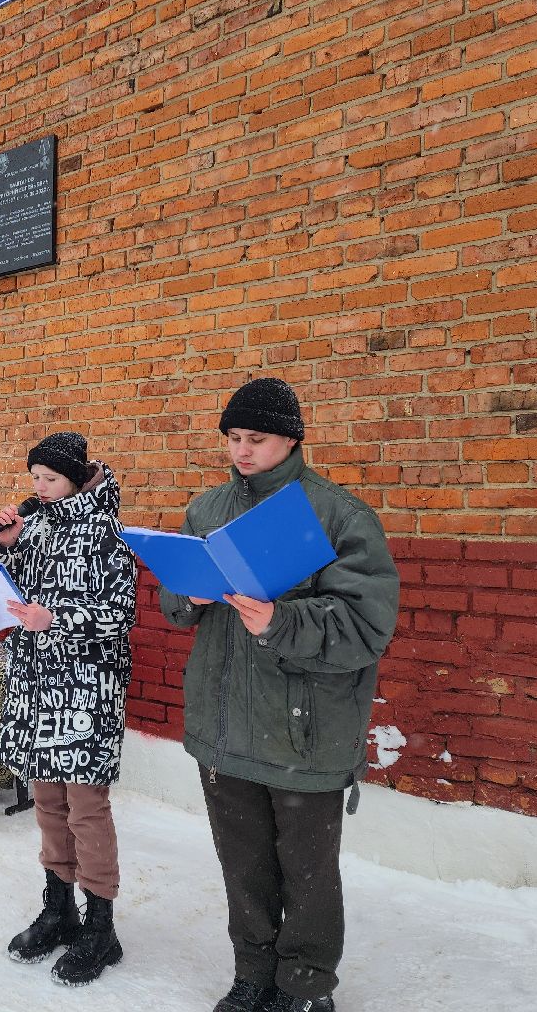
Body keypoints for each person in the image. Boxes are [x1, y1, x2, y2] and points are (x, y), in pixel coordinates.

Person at [159, 378, 400, 1012]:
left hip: (304, 734)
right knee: (244, 867)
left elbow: (366, 626)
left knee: (309, 874)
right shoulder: (207, 511)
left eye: (256, 439)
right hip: (224, 730)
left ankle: (305, 987)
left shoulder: (337, 516)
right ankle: (253, 975)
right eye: (233, 438)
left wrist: (279, 622)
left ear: (291, 438)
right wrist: (189, 594)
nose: (241, 450)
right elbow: (173, 605)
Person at [0, 431, 136, 987]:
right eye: (35, 480)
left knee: (85, 807)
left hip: (85, 692)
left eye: (50, 479)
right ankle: (59, 908)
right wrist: (9, 544)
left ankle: (101, 925)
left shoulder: (106, 534)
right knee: (47, 802)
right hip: (36, 685)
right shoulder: (42, 524)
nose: (40, 489)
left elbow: (118, 616)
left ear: (76, 478)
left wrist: (57, 620)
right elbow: (25, 588)